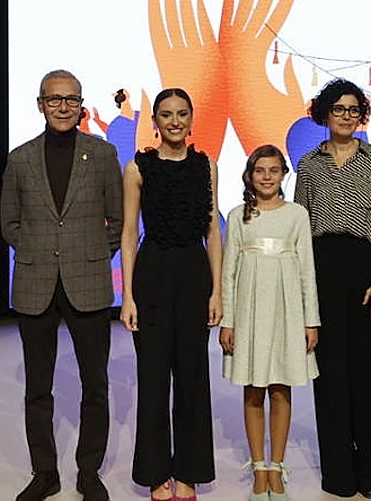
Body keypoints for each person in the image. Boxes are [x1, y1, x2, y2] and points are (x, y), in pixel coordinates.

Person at [0, 69, 124, 501]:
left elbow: (118, 220)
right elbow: (9, 223)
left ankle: (89, 472)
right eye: (54, 99)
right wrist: (40, 252)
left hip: (87, 281)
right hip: (35, 283)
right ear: (40, 104)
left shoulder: (103, 154)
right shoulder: (19, 159)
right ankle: (45, 472)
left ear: (82, 106)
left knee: (96, 384)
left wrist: (91, 255)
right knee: (38, 387)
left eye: (71, 99)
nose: (63, 107)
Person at [293, 78, 371, 498]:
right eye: (338, 109)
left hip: (367, 276)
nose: (346, 116)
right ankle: (339, 471)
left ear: (362, 116)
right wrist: (305, 296)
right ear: (325, 113)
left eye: (353, 110)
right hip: (323, 274)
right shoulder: (308, 165)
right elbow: (300, 229)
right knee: (331, 376)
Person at [120, 88, 223, 500]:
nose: (175, 121)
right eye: (166, 114)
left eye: (182, 114)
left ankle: (189, 472)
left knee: (193, 377)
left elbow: (213, 231)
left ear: (192, 119)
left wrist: (217, 292)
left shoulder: (206, 166)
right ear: (156, 122)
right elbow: (129, 233)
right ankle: (155, 472)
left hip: (194, 275)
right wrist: (127, 297)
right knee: (153, 377)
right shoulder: (138, 168)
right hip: (152, 275)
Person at [220, 145, 320, 501]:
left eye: (273, 170)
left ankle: (276, 467)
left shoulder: (297, 215)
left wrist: (311, 320)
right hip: (249, 312)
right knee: (253, 388)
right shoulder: (238, 216)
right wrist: (228, 321)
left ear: (283, 175)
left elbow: (307, 269)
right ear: (249, 175)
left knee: (280, 387)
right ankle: (259, 467)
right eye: (260, 170)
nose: (266, 176)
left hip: (286, 311)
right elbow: (229, 272)